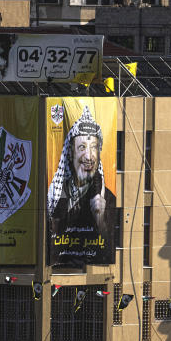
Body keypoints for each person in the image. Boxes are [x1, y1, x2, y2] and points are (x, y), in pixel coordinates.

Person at [47, 106, 117, 265]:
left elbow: (107, 253)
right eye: (82, 147)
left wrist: (100, 220)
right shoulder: (56, 195)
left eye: (93, 148)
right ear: (71, 153)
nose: (88, 157)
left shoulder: (109, 199)